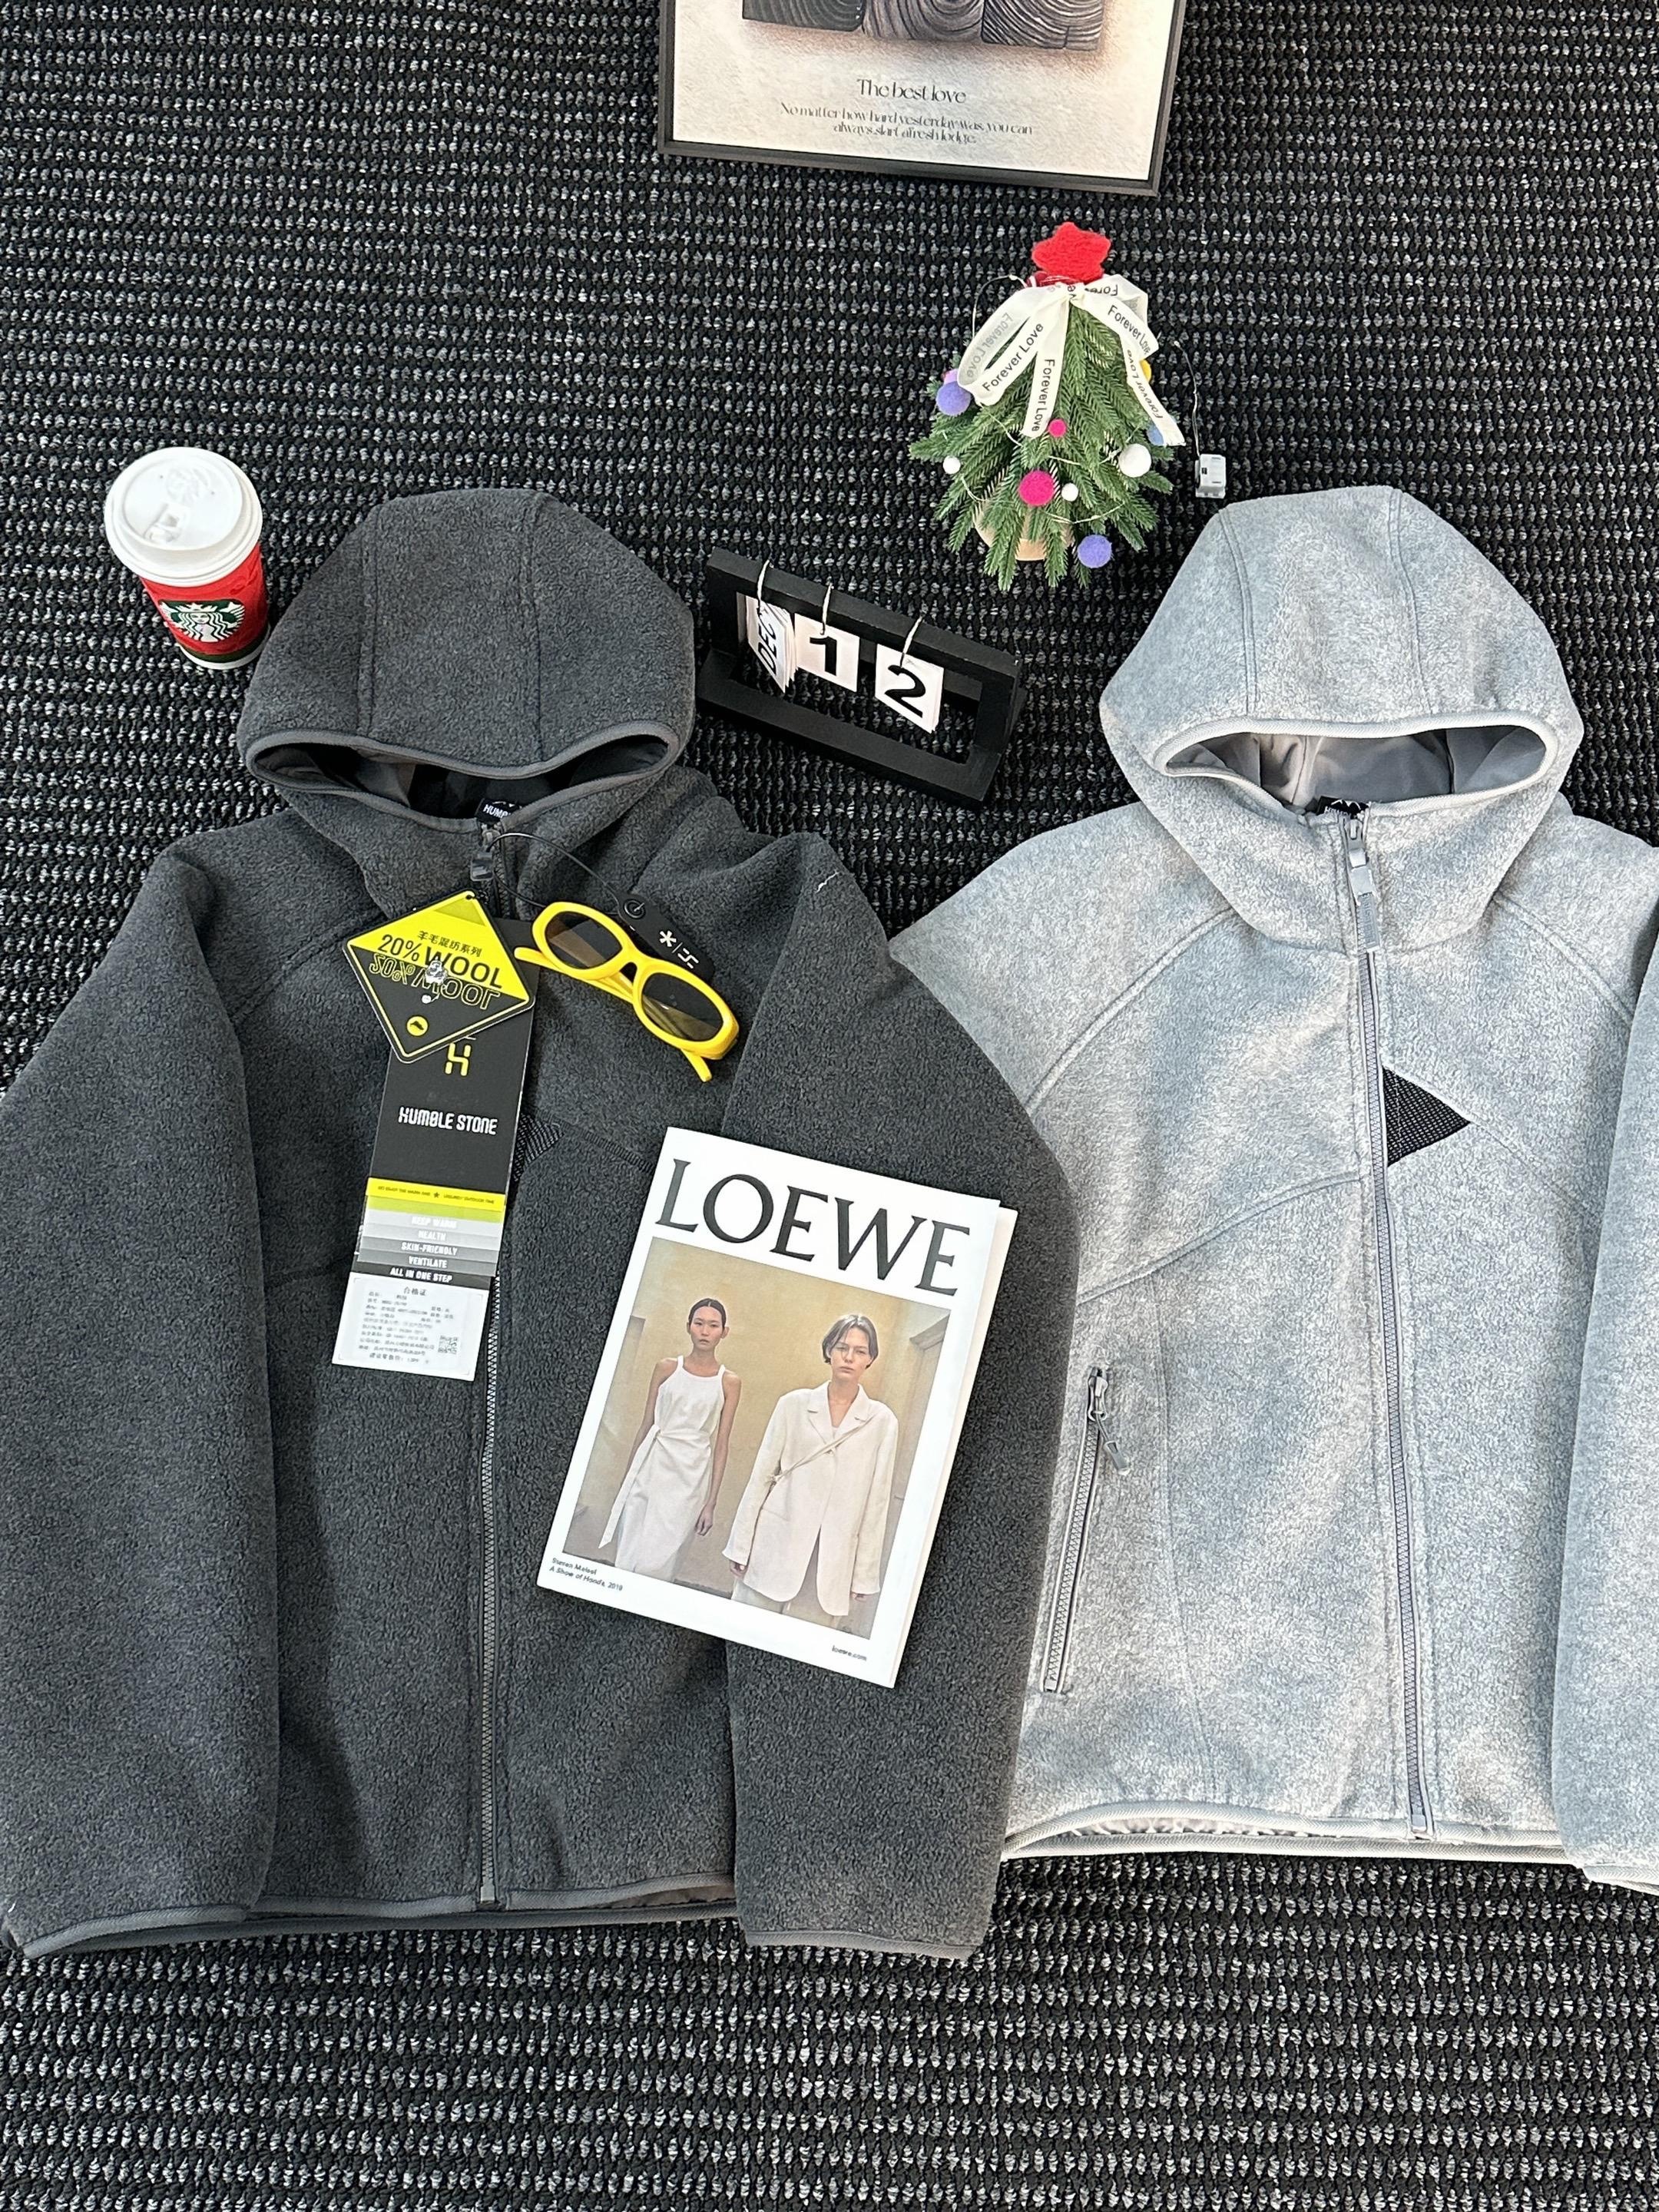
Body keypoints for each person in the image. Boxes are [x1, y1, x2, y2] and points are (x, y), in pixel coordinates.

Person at [722, 1314, 899, 1623]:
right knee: (745, 1627)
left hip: (830, 1559)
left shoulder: (882, 1422)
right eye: (842, 1347)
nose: (849, 1357)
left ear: (870, 1358)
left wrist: (864, 1575)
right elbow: (761, 1477)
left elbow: (877, 1504)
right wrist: (740, 1545)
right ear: (829, 1350)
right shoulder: (793, 1404)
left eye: (860, 1351)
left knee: (806, 1641)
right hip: (777, 1540)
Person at [602, 1298, 742, 1581]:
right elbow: (646, 1425)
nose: (705, 1331)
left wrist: (711, 1503)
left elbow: (722, 1444)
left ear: (724, 1332)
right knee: (631, 1546)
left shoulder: (729, 1382)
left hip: (690, 1475)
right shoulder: (666, 1368)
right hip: (651, 1464)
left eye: (713, 1325)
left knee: (661, 1556)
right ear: (688, 1326)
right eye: (699, 1323)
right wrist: (628, 1478)